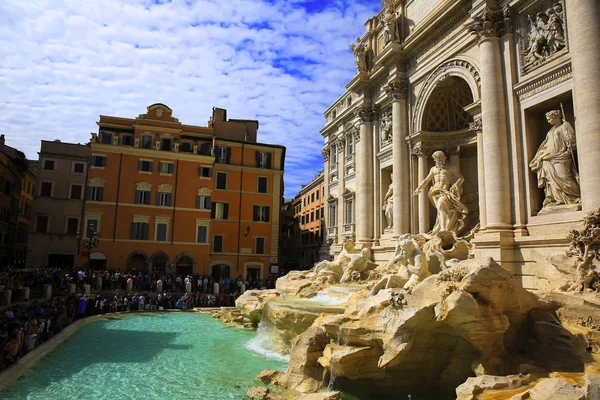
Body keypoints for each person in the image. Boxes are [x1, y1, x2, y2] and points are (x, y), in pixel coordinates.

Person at [529, 109, 580, 211]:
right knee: (550, 181)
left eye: (549, 119)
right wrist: (540, 156)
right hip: (548, 159)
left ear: (556, 117)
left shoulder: (564, 126)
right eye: (547, 119)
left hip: (562, 156)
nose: (548, 121)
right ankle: (554, 199)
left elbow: (571, 141)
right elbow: (545, 145)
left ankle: (574, 197)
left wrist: (571, 143)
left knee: (564, 176)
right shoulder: (550, 131)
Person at [413, 151, 468, 236]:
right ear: (434, 159)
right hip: (434, 192)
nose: (439, 160)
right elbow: (426, 180)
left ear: (444, 158)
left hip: (444, 191)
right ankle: (442, 227)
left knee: (440, 205)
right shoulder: (433, 169)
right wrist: (418, 188)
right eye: (437, 159)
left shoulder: (450, 167)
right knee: (440, 209)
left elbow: (461, 178)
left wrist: (455, 186)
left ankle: (443, 228)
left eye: (440, 158)